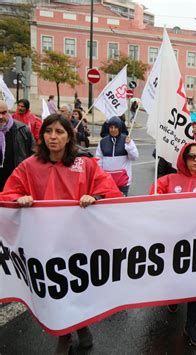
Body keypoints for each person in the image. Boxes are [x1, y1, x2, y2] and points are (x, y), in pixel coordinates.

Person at [0, 114, 122, 354]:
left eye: (59, 132)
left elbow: (111, 192)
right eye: (48, 132)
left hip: (77, 243)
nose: (53, 137)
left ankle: (78, 328)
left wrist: (94, 197)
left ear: (69, 137)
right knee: (55, 290)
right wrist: (18, 198)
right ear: (41, 135)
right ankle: (67, 334)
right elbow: (7, 194)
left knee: (76, 288)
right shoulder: (29, 165)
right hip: (43, 244)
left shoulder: (84, 164)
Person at [149, 142, 196, 347]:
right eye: (191, 156)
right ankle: (173, 297)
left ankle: (190, 325)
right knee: (173, 276)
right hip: (173, 243)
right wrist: (156, 194)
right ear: (184, 157)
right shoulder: (168, 180)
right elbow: (154, 197)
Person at [96, 116, 139, 196]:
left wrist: (129, 145)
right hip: (107, 181)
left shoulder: (127, 140)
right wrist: (100, 177)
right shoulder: (102, 142)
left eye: (116, 127)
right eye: (111, 127)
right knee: (107, 203)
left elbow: (134, 157)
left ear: (119, 128)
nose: (113, 129)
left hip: (123, 181)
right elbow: (99, 160)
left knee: (121, 204)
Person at [0, 100, 35, 191]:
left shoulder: (22, 130)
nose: (0, 116)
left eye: (4, 113)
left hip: (15, 185)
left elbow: (34, 156)